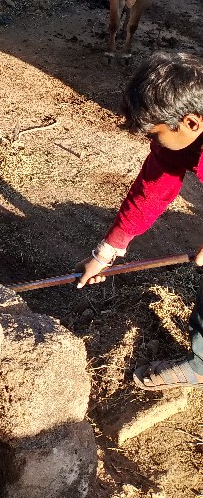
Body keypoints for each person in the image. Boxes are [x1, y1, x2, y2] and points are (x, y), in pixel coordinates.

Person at [77, 51, 203, 390]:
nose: (153, 142)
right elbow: (153, 190)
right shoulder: (183, 137)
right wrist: (107, 251)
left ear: (191, 123)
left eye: (157, 133)